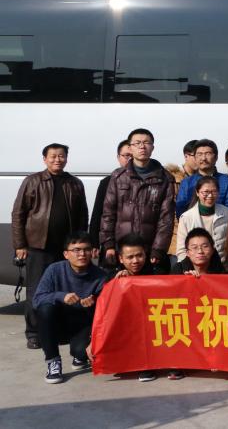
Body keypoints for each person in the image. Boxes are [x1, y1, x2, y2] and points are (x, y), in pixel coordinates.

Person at [12, 143, 89, 350]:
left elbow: (83, 214)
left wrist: (81, 244)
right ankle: (34, 333)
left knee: (65, 289)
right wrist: (20, 244)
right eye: (53, 156)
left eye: (61, 156)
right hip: (38, 246)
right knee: (37, 290)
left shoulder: (74, 183)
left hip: (66, 249)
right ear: (45, 159)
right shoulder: (32, 181)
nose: (57, 160)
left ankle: (60, 331)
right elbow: (18, 214)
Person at [32, 232, 106, 383]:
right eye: (76, 250)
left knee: (80, 351)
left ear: (92, 252)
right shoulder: (54, 270)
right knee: (45, 309)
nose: (82, 254)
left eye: (86, 249)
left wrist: (93, 304)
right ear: (66, 254)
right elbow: (37, 300)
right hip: (59, 323)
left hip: (83, 324)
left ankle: (80, 356)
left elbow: (106, 311)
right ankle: (53, 362)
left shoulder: (101, 276)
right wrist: (61, 296)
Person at [100, 128, 176, 271]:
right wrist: (108, 244)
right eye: (137, 143)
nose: (142, 146)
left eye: (147, 143)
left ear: (152, 147)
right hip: (121, 249)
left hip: (149, 250)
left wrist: (159, 249)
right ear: (130, 148)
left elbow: (166, 218)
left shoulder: (165, 178)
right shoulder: (118, 176)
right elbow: (108, 213)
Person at [107, 234, 159, 382]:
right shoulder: (113, 277)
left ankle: (147, 365)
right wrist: (117, 284)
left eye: (139, 255)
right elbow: (105, 310)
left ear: (145, 255)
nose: (135, 261)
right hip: (124, 327)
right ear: (121, 259)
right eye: (130, 257)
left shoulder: (157, 273)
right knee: (79, 350)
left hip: (151, 323)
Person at [175, 175, 228, 265]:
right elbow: (181, 250)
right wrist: (187, 268)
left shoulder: (227, 213)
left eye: (214, 192)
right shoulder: (186, 218)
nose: (210, 195)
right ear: (197, 193)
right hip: (195, 268)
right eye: (206, 192)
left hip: (222, 266)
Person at [175, 139, 228, 216]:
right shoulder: (186, 182)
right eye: (199, 154)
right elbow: (180, 211)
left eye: (208, 154)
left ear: (216, 157)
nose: (203, 158)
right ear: (195, 158)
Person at [88, 140, 131, 250]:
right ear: (118, 157)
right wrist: (94, 242)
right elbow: (97, 213)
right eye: (126, 155)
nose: (130, 159)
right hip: (112, 242)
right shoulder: (107, 182)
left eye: (133, 156)